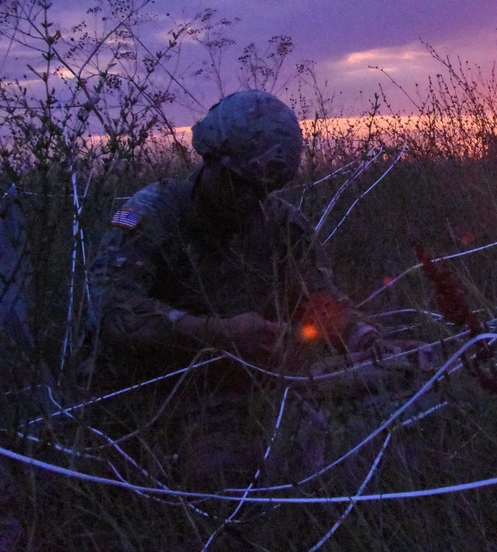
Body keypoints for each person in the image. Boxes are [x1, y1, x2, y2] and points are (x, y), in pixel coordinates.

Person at [87, 90, 425, 487]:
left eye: (263, 189)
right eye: (240, 184)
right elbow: (110, 310)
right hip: (159, 397)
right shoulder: (153, 215)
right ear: (210, 160)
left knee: (395, 416)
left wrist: (360, 336)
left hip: (253, 391)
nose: (250, 200)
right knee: (227, 474)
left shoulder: (279, 223)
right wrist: (216, 333)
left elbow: (319, 299)